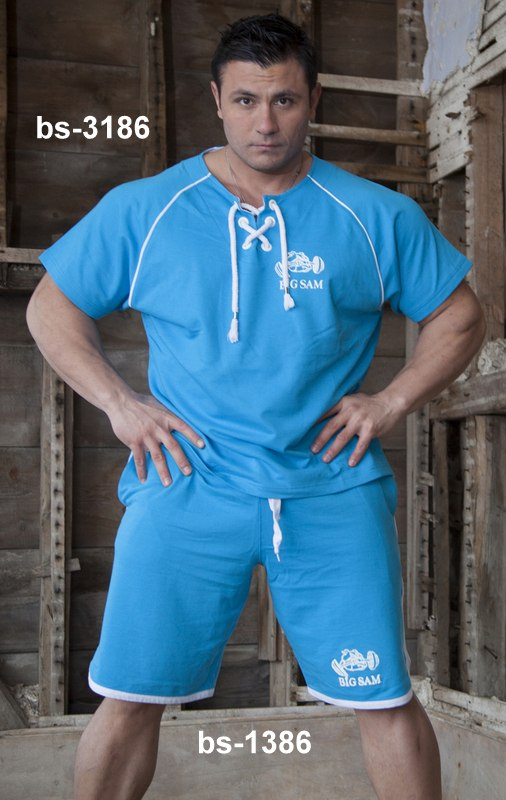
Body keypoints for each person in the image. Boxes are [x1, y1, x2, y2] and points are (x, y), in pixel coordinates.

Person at [26, 12, 485, 800]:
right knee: (130, 696)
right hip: (188, 481)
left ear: (313, 100)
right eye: (244, 101)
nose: (264, 123)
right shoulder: (149, 208)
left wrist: (392, 400)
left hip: (330, 483)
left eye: (283, 100)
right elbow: (51, 307)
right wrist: (119, 403)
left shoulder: (371, 215)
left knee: (383, 696)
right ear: (217, 100)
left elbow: (461, 315)